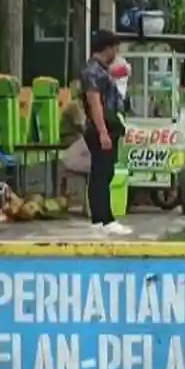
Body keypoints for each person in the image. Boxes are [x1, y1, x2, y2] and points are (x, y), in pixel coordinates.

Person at [79, 29, 132, 236]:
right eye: (115, 49)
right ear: (107, 48)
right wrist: (102, 131)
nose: (116, 54)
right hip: (100, 127)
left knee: (104, 172)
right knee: (101, 173)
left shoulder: (102, 70)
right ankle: (103, 218)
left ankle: (101, 218)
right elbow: (95, 103)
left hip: (107, 126)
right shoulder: (92, 71)